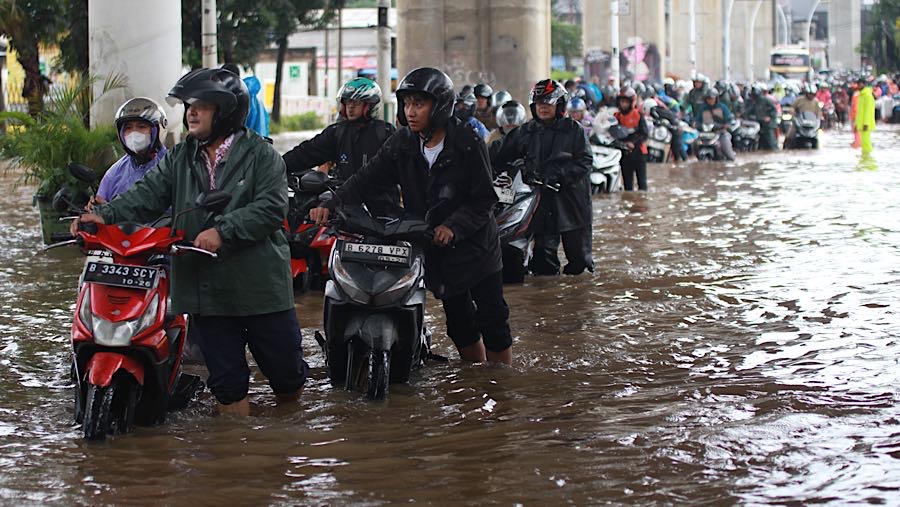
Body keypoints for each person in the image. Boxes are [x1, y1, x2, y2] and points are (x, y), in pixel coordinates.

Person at [71, 68, 309, 417]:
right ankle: (237, 459)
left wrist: (223, 231)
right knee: (227, 389)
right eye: (189, 106)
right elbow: (147, 194)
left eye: (203, 105)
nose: (192, 112)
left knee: (287, 380)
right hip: (206, 291)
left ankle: (283, 446)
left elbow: (273, 208)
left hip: (260, 289)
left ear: (226, 111)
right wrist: (105, 217)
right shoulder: (181, 157)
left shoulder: (262, 155)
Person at [309, 67, 512, 365]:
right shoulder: (402, 142)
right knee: (459, 325)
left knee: (493, 320)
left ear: (439, 105)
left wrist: (453, 227)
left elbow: (483, 199)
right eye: (407, 104)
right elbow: (367, 177)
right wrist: (332, 201)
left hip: (477, 248)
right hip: (434, 245)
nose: (411, 111)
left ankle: (499, 386)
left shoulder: (467, 141)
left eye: (419, 104)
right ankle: (476, 378)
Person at [491, 78, 594, 276]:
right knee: (544, 262)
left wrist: (558, 175)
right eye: (539, 103)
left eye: (548, 103)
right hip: (540, 201)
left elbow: (585, 162)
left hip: (572, 202)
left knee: (579, 262)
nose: (543, 107)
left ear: (559, 104)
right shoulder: (526, 131)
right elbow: (498, 152)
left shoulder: (574, 130)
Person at [282, 77, 398, 215]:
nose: (351, 107)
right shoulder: (337, 132)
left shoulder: (385, 133)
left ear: (370, 105)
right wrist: (276, 166)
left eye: (356, 102)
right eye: (348, 102)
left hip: (381, 213)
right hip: (344, 209)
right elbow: (306, 153)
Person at [95, 97, 169, 204]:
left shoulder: (172, 166)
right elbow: (100, 202)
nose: (134, 133)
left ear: (156, 130)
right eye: (128, 128)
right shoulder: (114, 173)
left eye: (141, 126)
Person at [612, 87, 650, 190]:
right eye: (621, 102)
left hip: (639, 152)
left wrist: (633, 143)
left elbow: (644, 134)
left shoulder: (638, 115)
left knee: (642, 185)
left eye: (626, 102)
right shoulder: (616, 116)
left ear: (631, 102)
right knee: (627, 186)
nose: (623, 104)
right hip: (624, 153)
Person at [694, 89, 736, 161]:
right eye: (709, 98)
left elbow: (729, 120)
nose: (711, 100)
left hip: (721, 133)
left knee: (730, 156)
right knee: (694, 144)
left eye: (712, 98)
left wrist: (726, 125)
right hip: (706, 134)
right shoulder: (702, 109)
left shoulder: (723, 107)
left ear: (716, 98)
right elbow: (697, 120)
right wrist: (696, 124)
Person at [783, 83, 822, 149]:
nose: (811, 96)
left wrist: (819, 118)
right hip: (800, 121)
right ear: (806, 93)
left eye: (813, 94)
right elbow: (792, 107)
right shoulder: (799, 100)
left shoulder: (816, 102)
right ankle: (785, 147)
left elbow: (819, 113)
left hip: (811, 123)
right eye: (810, 94)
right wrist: (792, 112)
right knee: (790, 134)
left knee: (818, 136)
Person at [752, 84, 779, 151]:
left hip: (768, 124)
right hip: (759, 123)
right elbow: (750, 110)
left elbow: (774, 110)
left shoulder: (766, 100)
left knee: (771, 142)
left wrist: (769, 117)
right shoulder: (755, 101)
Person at [855, 77, 876, 155]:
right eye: (858, 84)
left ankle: (867, 157)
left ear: (864, 84)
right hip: (861, 123)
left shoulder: (867, 96)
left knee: (866, 142)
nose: (858, 86)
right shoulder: (861, 95)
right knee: (864, 142)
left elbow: (868, 111)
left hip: (866, 124)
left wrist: (866, 123)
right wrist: (856, 124)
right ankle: (865, 156)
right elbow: (860, 112)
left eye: (859, 84)